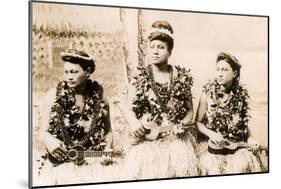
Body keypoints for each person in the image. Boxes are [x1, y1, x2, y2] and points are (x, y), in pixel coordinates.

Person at [124, 20, 199, 179]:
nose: (155, 51)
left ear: (170, 51)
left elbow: (190, 110)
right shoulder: (139, 77)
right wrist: (135, 123)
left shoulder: (180, 78)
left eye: (161, 47)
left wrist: (183, 124)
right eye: (152, 47)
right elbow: (129, 109)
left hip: (174, 138)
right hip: (148, 138)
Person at [36, 49, 114, 185]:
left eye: (74, 72)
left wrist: (107, 150)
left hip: (92, 161)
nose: (69, 77)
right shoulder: (53, 96)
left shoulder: (100, 98)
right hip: (62, 163)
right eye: (66, 72)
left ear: (88, 72)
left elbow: (108, 131)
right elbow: (42, 133)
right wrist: (50, 140)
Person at [195, 52, 266, 175]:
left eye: (224, 69)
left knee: (243, 165)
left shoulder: (241, 96)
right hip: (212, 145)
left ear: (234, 73)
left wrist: (250, 138)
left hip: (234, 144)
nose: (219, 73)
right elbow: (197, 123)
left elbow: (242, 124)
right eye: (218, 69)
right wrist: (212, 134)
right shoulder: (207, 94)